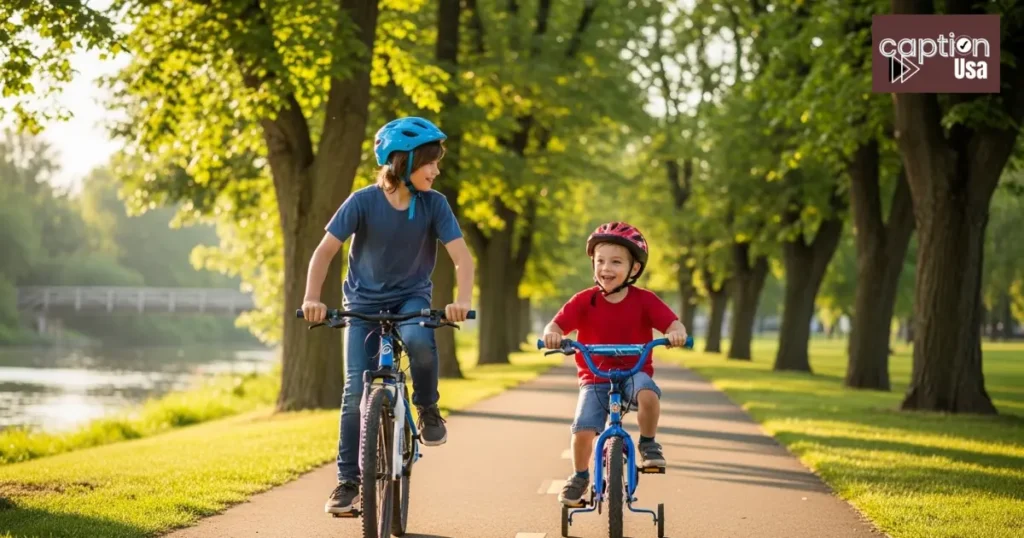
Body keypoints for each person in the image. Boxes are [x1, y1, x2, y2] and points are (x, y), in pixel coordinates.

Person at [300, 117, 475, 515]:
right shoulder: (362, 201)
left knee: (418, 342)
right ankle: (347, 483)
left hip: (411, 299)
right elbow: (325, 251)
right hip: (362, 305)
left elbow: (462, 259)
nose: (436, 170)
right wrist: (313, 298)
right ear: (401, 162)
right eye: (429, 161)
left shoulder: (434, 204)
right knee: (354, 394)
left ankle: (428, 407)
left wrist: (461, 300)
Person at [541, 221, 688, 507]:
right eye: (600, 261)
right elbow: (556, 324)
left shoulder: (645, 301)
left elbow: (672, 322)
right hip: (595, 378)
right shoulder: (584, 300)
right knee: (583, 428)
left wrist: (676, 332)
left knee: (649, 394)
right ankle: (580, 476)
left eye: (616, 262)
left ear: (634, 269)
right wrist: (552, 336)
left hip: (634, 373)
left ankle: (648, 443)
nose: (606, 268)